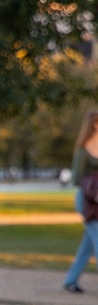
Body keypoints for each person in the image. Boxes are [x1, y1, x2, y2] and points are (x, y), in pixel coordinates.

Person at [62, 107, 98, 293]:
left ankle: (70, 280)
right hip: (87, 201)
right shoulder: (83, 150)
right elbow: (76, 178)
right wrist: (93, 189)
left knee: (88, 245)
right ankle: (70, 280)